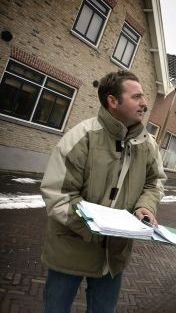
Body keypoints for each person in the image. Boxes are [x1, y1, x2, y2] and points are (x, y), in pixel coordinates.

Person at [40, 70, 166, 312]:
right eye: (136, 97)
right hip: (71, 249)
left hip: (113, 258)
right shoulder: (81, 137)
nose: (145, 103)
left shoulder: (148, 144)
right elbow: (58, 195)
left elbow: (154, 182)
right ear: (112, 101)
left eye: (143, 97)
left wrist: (145, 206)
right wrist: (96, 226)